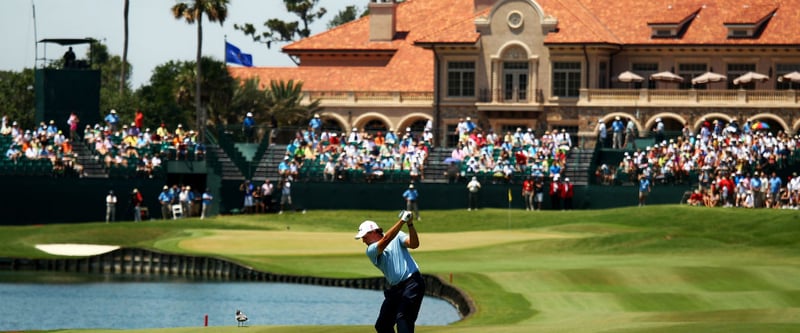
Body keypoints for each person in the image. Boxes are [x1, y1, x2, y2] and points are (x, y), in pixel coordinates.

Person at [354, 211, 424, 333]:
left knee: (403, 319)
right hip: (396, 289)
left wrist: (410, 224)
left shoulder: (398, 236)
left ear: (373, 232)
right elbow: (386, 239)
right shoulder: (371, 250)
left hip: (413, 283)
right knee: (382, 325)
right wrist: (402, 220)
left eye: (364, 236)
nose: (363, 241)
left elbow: (414, 244)